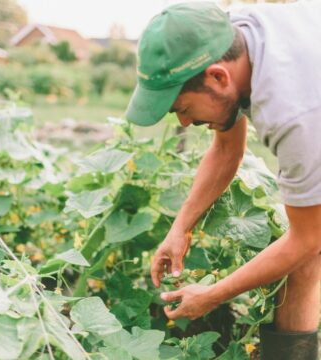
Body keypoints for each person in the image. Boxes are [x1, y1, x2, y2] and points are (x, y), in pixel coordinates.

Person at [125, 2, 321, 359]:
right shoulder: (230, 36)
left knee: (309, 248)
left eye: (183, 109)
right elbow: (228, 146)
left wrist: (212, 295)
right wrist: (180, 228)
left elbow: (307, 239)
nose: (184, 124)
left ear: (218, 77)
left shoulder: (295, 114)